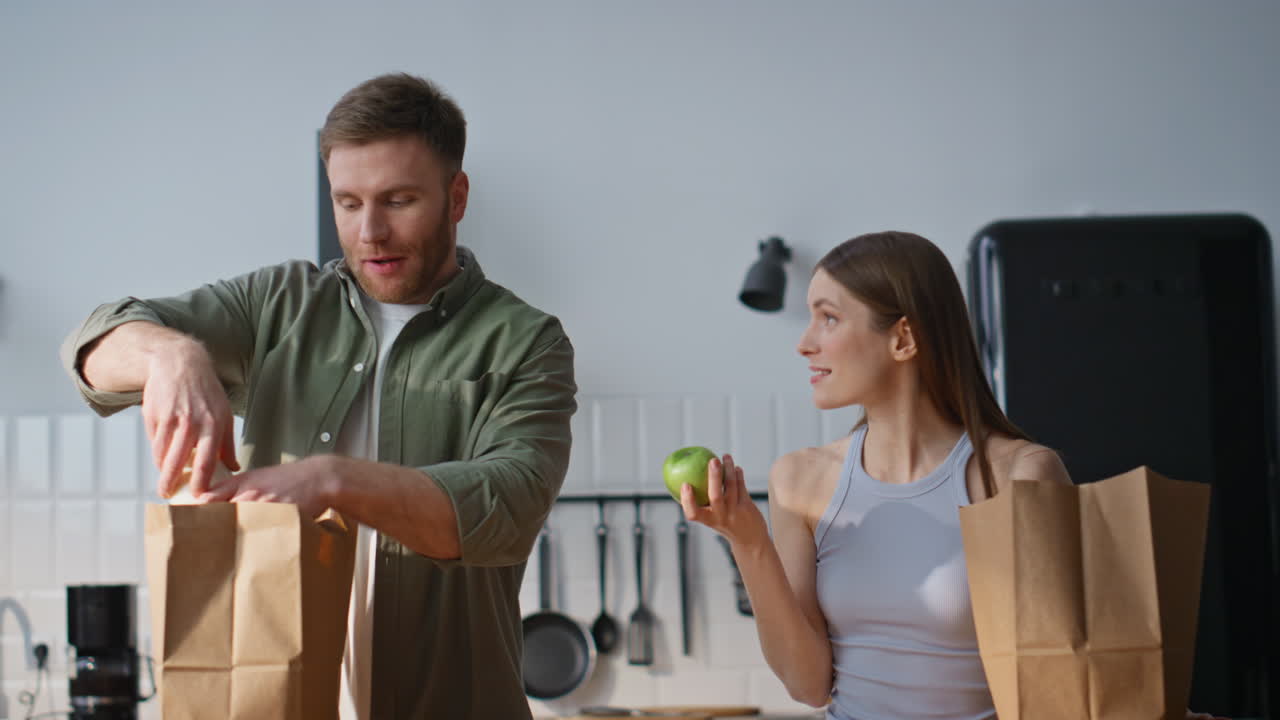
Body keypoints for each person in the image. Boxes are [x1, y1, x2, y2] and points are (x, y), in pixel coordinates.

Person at [60, 72, 576, 720]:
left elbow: (509, 503)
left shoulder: (525, 342)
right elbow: (91, 347)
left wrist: (330, 479)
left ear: (457, 195)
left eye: (399, 200)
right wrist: (173, 355)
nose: (369, 233)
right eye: (349, 202)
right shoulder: (278, 306)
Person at [679, 231, 1226, 720]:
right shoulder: (799, 479)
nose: (804, 342)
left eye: (828, 318)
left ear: (903, 339)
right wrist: (748, 542)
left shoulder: (1018, 473)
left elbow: (1066, 677)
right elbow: (807, 685)